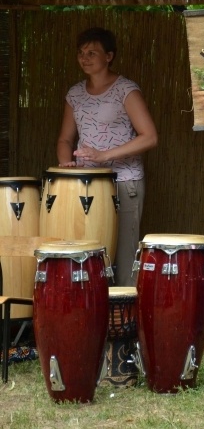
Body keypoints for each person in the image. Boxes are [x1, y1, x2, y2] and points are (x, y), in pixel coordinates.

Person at [57, 27, 158, 286]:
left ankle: (125, 320)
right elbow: (65, 139)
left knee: (124, 254)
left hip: (125, 180)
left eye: (92, 52)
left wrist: (105, 156)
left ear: (109, 56)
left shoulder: (126, 90)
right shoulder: (75, 94)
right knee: (87, 250)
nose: (85, 58)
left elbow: (149, 136)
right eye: (81, 53)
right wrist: (65, 164)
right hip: (84, 183)